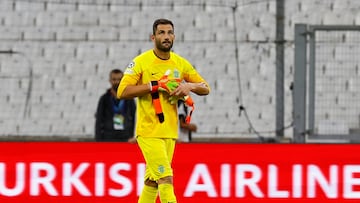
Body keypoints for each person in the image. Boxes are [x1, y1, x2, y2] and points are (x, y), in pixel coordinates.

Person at [117, 19, 210, 203]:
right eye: (161, 33)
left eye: (169, 33)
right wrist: (155, 85)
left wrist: (188, 86)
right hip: (149, 132)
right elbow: (122, 91)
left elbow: (205, 87)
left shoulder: (180, 63)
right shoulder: (141, 62)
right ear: (153, 37)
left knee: (152, 182)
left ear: (174, 36)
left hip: (170, 132)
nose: (166, 37)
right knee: (165, 178)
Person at [95, 69, 136, 142]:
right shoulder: (104, 99)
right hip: (108, 137)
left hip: (126, 137)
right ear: (110, 80)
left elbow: (134, 117)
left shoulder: (129, 98)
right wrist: (98, 140)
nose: (117, 82)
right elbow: (99, 119)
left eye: (119, 79)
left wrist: (133, 135)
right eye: (114, 79)